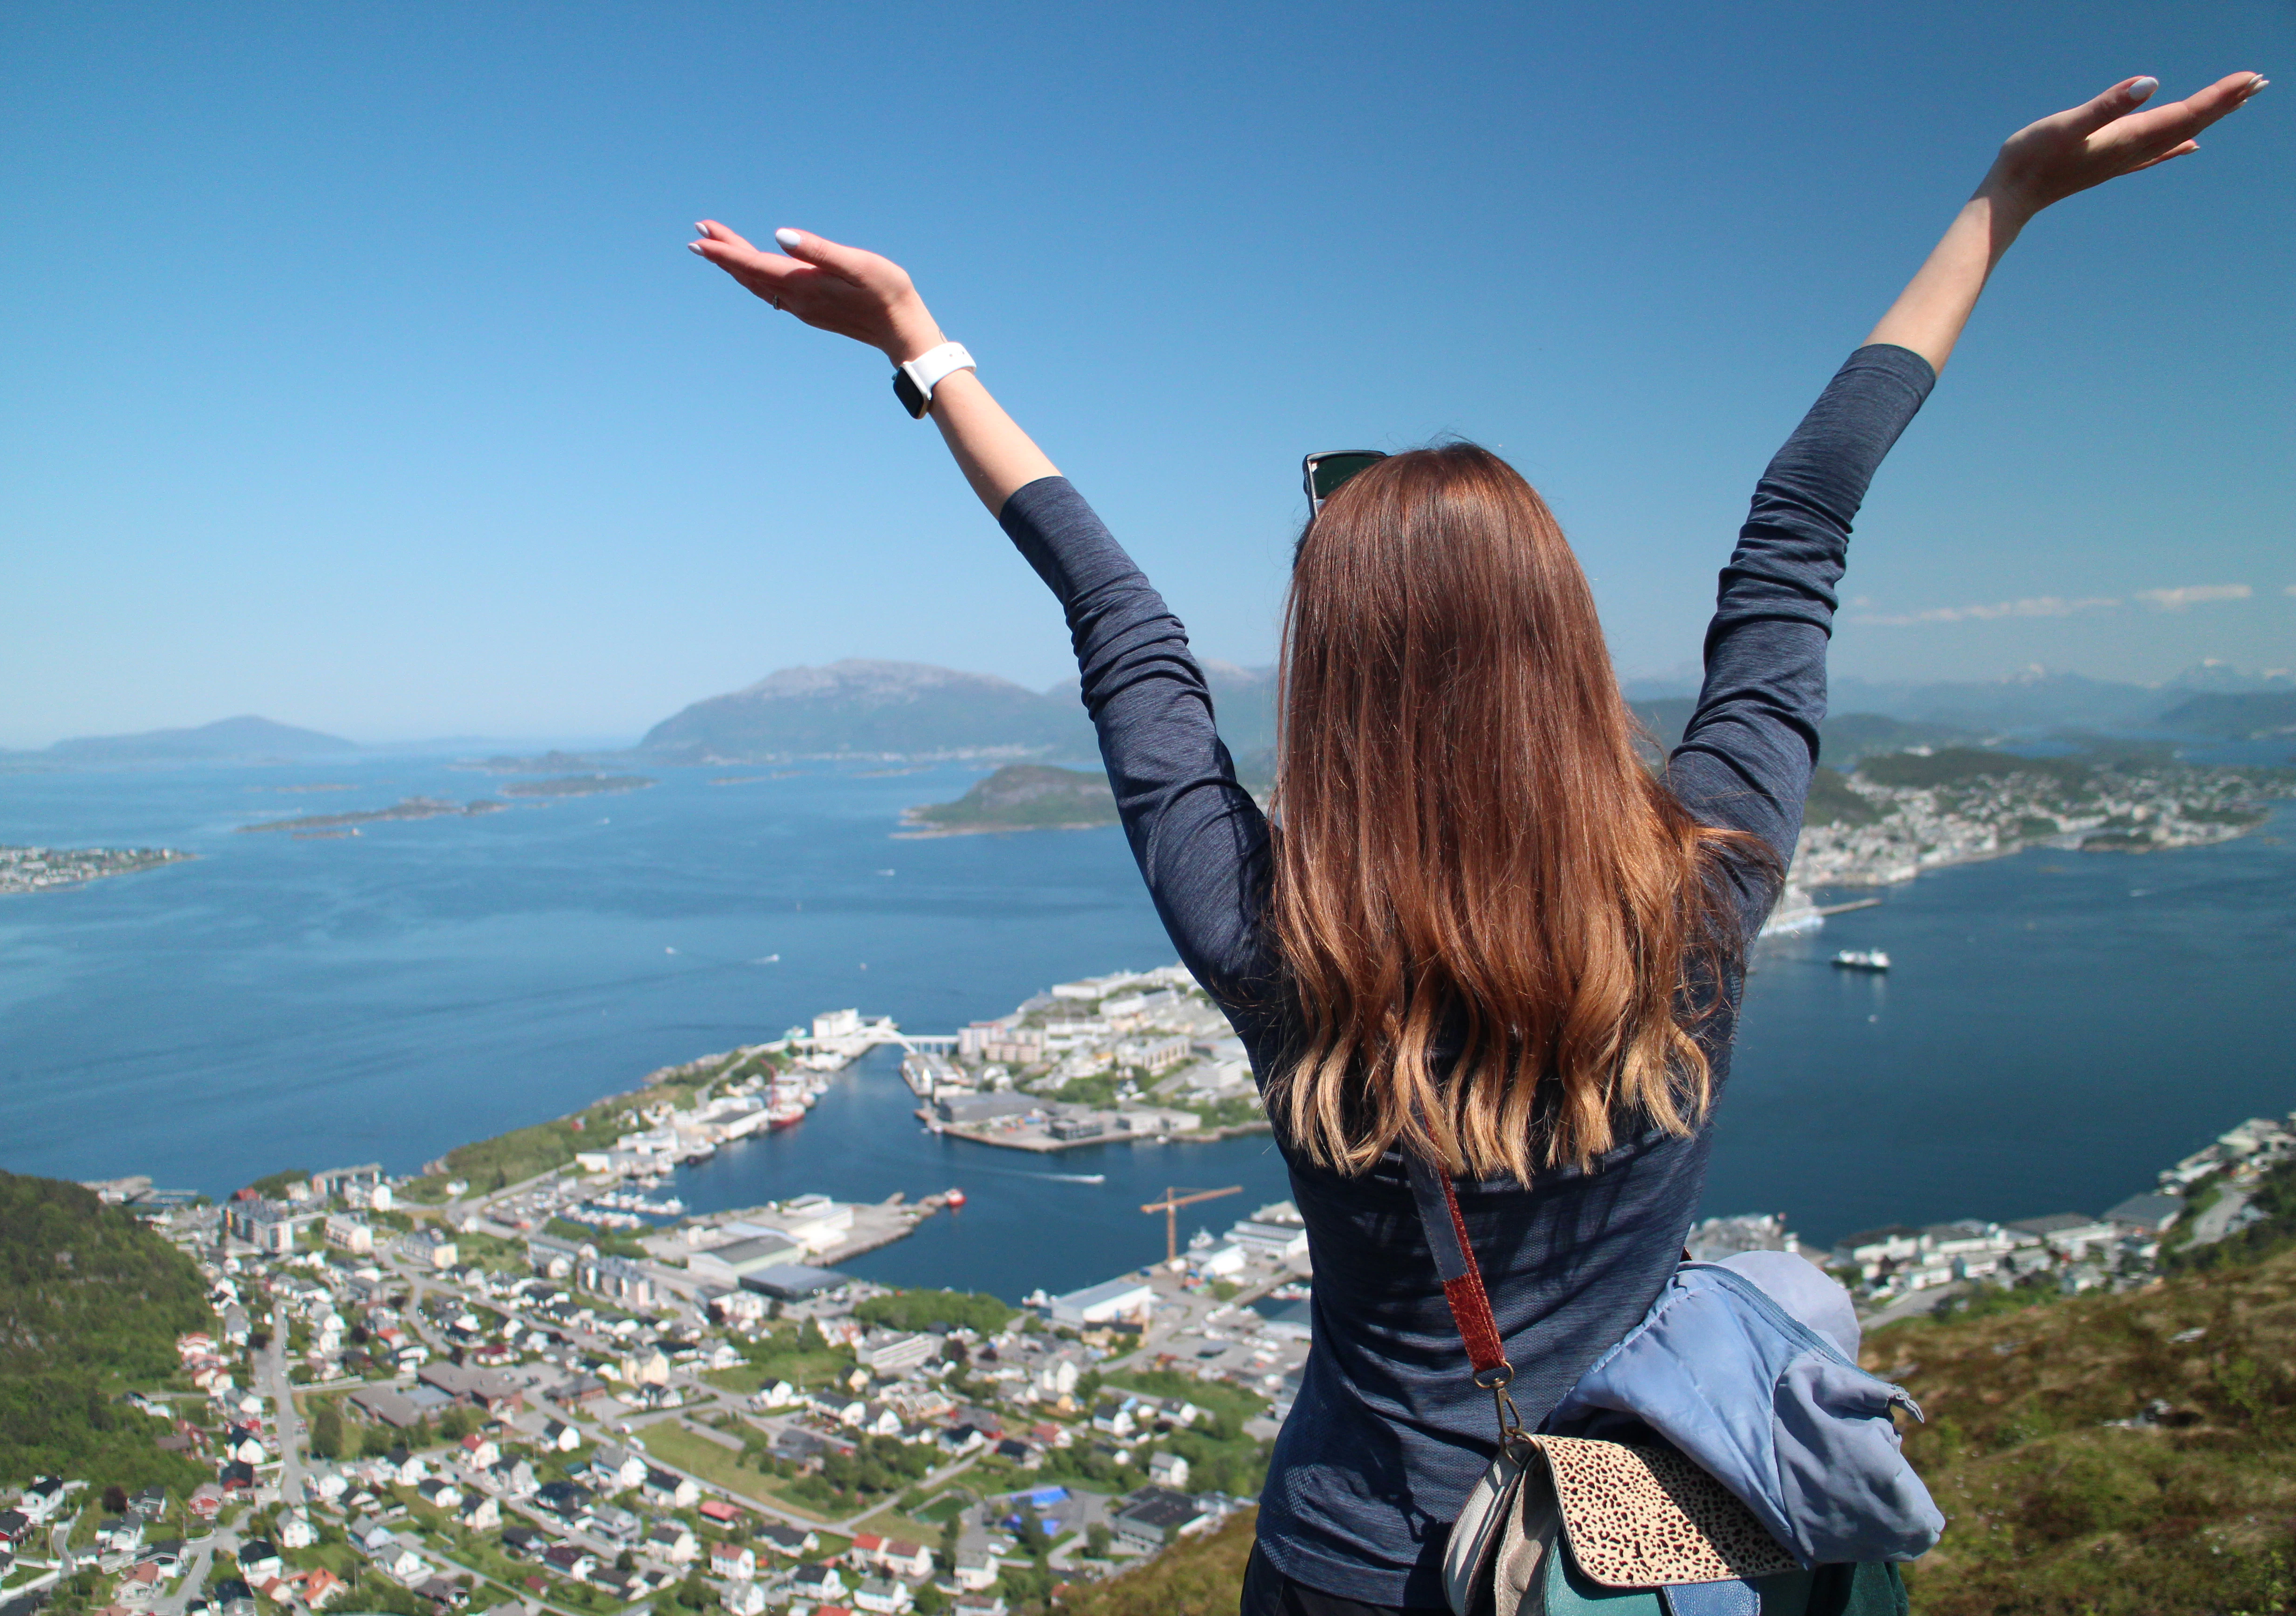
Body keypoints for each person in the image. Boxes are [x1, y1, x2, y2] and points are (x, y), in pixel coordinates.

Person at [690, 71, 2265, 1616]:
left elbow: (1124, 633)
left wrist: (921, 345)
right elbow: (1801, 526)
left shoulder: (1272, 937)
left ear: (1332, 676)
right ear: (1566, 642)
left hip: (1353, 1557)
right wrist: (2005, 205)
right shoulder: (1699, 888)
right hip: (1630, 1542)